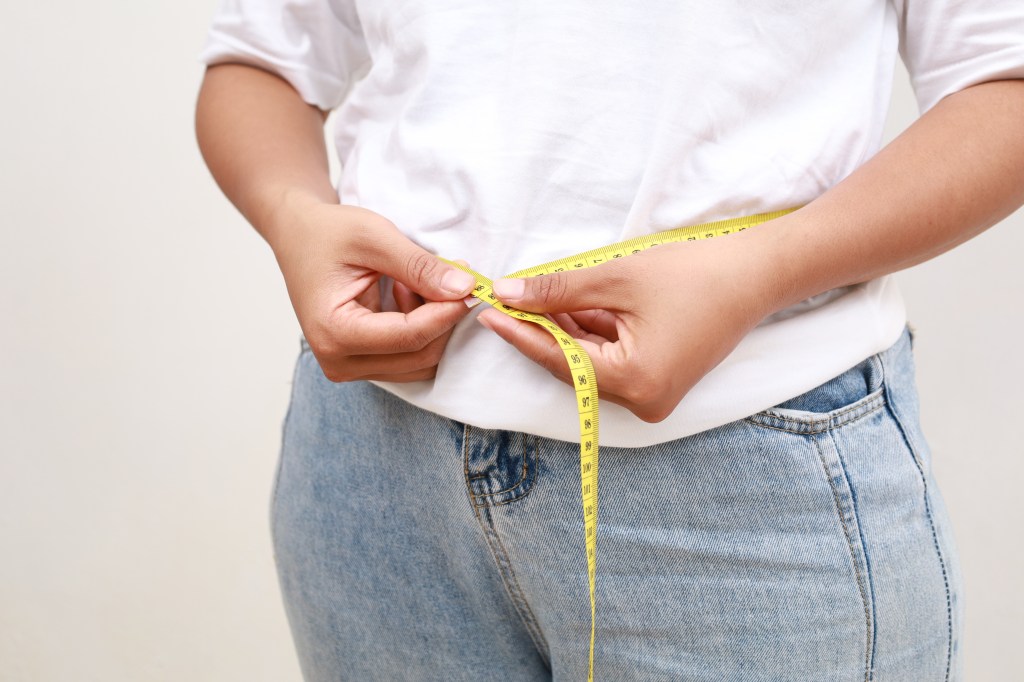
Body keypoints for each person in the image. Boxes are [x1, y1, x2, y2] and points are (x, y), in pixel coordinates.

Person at [195, 2, 1024, 680]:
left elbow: (1005, 80)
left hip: (746, 480)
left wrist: (763, 268)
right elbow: (259, 61)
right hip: (368, 469)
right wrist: (292, 214)